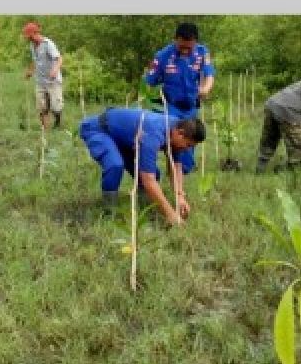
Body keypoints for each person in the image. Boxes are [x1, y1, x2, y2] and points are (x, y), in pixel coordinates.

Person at [78, 107, 205, 224]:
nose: (186, 149)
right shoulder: (153, 135)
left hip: (125, 139)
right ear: (180, 133)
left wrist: (180, 197)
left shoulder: (176, 126)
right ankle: (109, 213)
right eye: (188, 145)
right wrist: (171, 214)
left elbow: (175, 166)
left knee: (155, 173)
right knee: (115, 165)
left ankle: (143, 209)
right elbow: (148, 180)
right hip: (99, 129)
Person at [144, 22, 215, 174]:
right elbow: (148, 83)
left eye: (189, 48)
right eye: (181, 46)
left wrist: (205, 89)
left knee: (190, 142)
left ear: (196, 42)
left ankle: (184, 173)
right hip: (171, 107)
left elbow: (209, 75)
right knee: (176, 142)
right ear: (175, 39)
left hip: (191, 106)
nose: (184, 50)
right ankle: (174, 176)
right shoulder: (162, 56)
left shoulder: (203, 53)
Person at [22, 22, 64, 130]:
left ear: (36, 33)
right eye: (27, 36)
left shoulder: (48, 44)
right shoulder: (32, 45)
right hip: (40, 81)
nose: (28, 39)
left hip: (53, 81)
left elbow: (59, 59)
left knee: (56, 107)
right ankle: (45, 129)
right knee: (41, 107)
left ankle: (58, 123)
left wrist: (55, 70)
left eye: (29, 36)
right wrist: (30, 71)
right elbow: (35, 61)